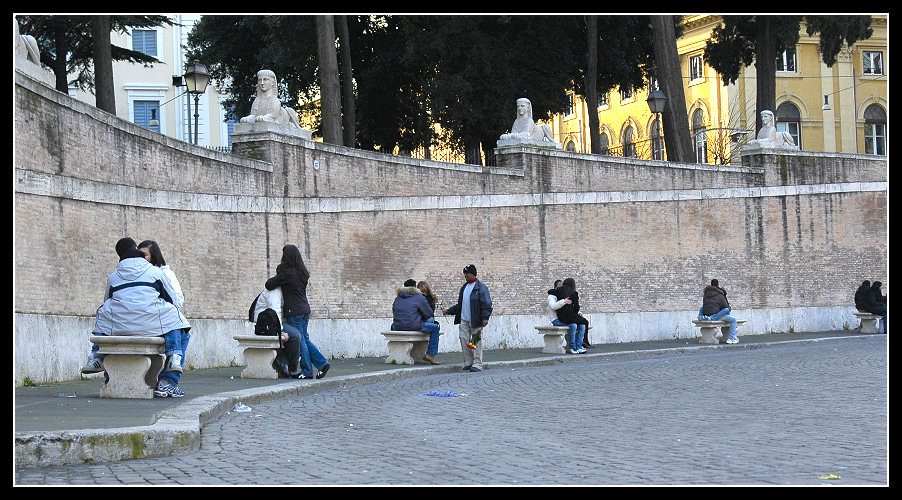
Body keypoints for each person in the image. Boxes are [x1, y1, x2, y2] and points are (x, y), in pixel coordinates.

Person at [81, 237, 192, 397]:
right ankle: (172, 363)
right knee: (174, 316)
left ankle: (95, 356)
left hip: (119, 328)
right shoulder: (156, 272)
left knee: (104, 312)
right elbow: (173, 300)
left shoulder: (114, 276)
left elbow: (107, 300)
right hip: (151, 326)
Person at [265, 244, 330, 379]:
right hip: (305, 310)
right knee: (305, 339)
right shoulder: (302, 272)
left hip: (294, 311)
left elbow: (269, 284)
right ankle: (322, 364)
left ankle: (307, 371)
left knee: (301, 341)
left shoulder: (288, 273)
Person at [137, 240, 187, 374]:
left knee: (177, 325)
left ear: (154, 255)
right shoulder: (135, 273)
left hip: (159, 319)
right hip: (140, 320)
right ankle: (169, 380)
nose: (142, 258)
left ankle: (168, 378)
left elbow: (177, 300)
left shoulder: (165, 274)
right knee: (181, 331)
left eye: (145, 255)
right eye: (139, 254)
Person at [443, 265, 492, 372]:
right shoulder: (464, 288)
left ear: (473, 273)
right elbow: (461, 305)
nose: (465, 275)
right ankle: (468, 362)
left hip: (476, 319)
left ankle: (477, 363)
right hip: (464, 319)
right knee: (463, 339)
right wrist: (450, 311)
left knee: (475, 342)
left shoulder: (481, 287)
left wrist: (485, 317)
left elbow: (486, 304)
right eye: (464, 273)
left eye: (467, 273)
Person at [250, 285, 303, 377]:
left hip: (274, 322)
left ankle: (285, 363)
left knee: (298, 335)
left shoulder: (284, 291)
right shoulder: (274, 291)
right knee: (295, 336)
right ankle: (292, 368)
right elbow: (275, 311)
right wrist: (281, 331)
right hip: (266, 324)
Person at [392, 279, 441, 365]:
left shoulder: (398, 298)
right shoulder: (419, 297)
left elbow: (394, 311)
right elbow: (429, 313)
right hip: (413, 325)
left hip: (397, 326)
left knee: (393, 325)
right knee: (435, 328)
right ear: (415, 287)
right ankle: (430, 354)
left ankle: (397, 353)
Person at [553, 278, 589, 354]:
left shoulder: (561, 292)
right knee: (576, 324)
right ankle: (574, 346)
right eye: (559, 285)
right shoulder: (553, 296)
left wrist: (578, 313)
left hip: (564, 317)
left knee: (581, 325)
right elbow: (554, 306)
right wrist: (565, 302)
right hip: (561, 318)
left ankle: (578, 346)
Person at [698, 279, 739, 344]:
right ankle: (731, 338)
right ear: (718, 285)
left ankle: (702, 316)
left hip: (707, 314)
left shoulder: (705, 295)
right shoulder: (720, 295)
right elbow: (725, 306)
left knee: (702, 308)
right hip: (717, 316)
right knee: (732, 318)